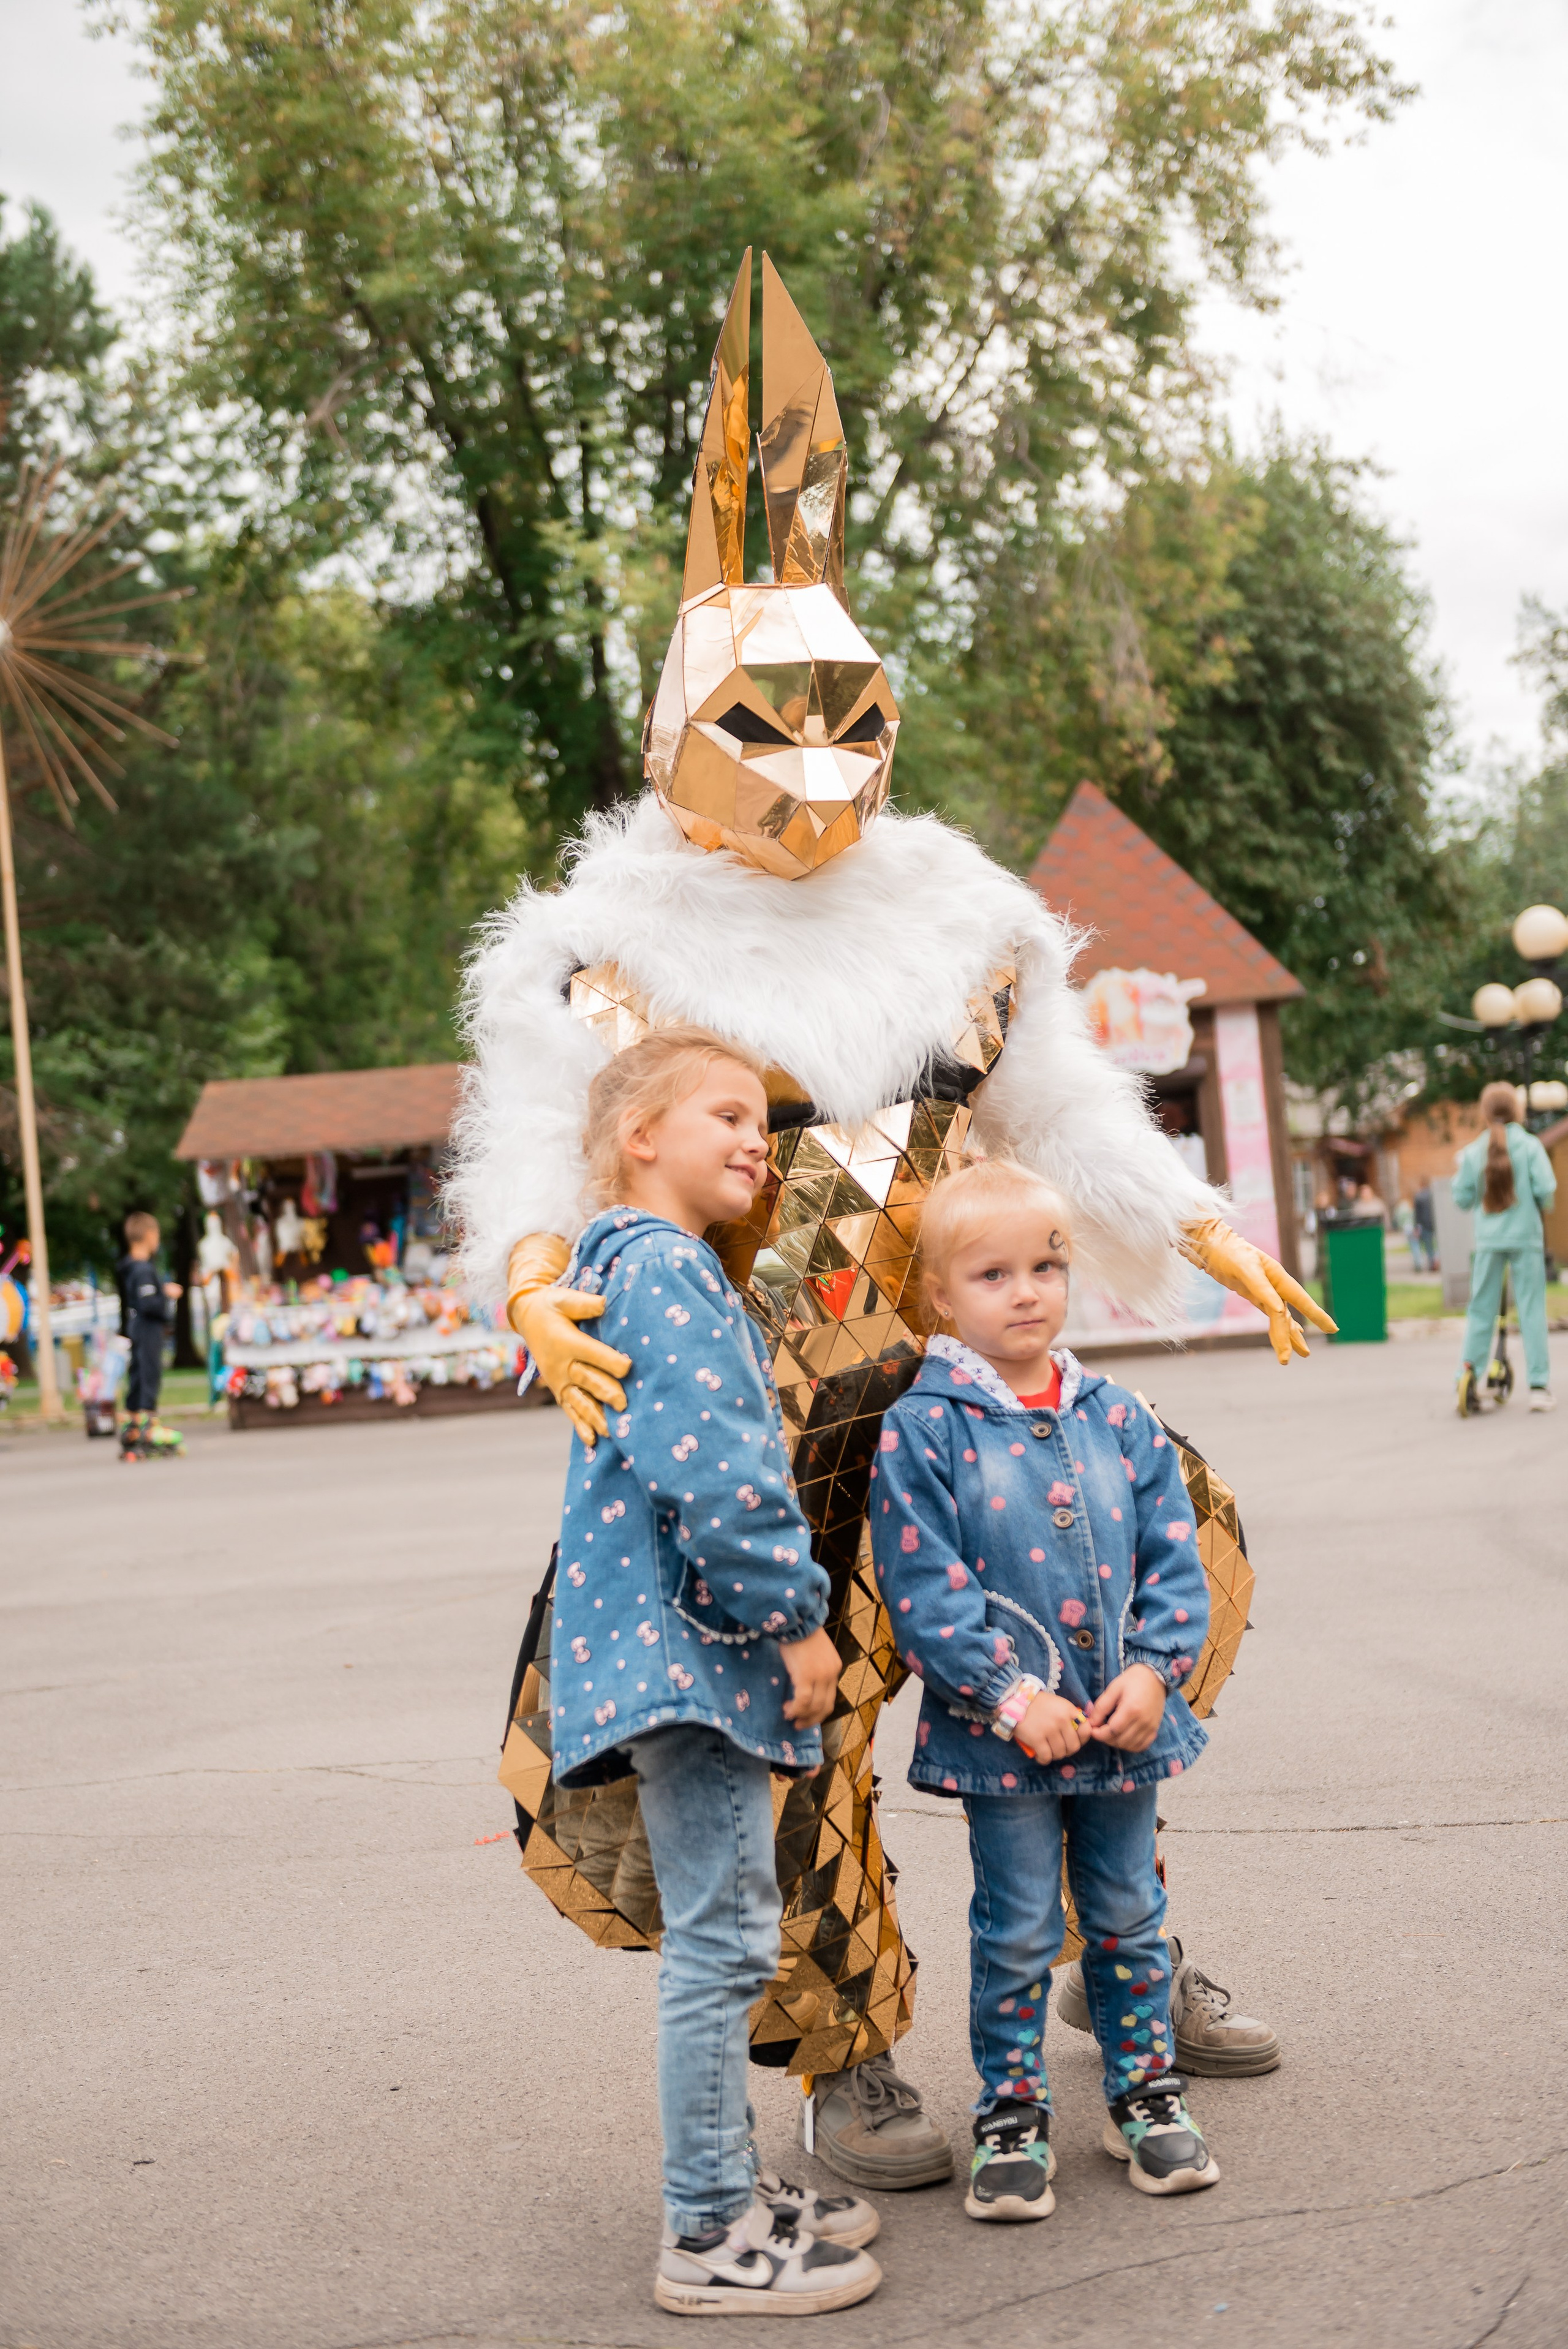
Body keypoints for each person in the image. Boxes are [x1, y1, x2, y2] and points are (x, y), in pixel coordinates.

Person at [455, 248, 1324, 2189]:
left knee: (1129, 1591)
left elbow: (1064, 1110)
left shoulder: (963, 927)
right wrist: (532, 1276)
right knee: (801, 1719)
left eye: (847, 712)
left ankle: (1128, 1962)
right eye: (766, 718)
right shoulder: (606, 951)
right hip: (755, 1414)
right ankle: (847, 2049)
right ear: (687, 728)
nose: (817, 761)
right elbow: (542, 1134)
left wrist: (1186, 1222)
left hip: (954, 1377)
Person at [552, 1024, 883, 2315]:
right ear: (643, 1138)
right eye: (728, 1116)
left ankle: (733, 2182)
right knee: (723, 1941)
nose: (759, 1139)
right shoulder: (666, 1274)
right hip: (692, 1656)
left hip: (672, 1656)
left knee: (725, 1934)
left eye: (763, 1120)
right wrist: (794, 1618)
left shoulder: (638, 1270)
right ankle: (705, 2229)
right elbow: (722, 1476)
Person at [872, 1157, 1219, 2217]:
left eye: (1046, 1266)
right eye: (992, 1275)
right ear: (940, 1295)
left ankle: (1144, 2094)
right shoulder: (924, 1429)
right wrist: (1014, 1697)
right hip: (1002, 1742)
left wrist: (1159, 1674)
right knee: (1019, 1924)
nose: (1027, 1291)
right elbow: (923, 1588)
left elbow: (1173, 1557)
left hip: (1123, 1730)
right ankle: (1011, 2111)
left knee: (1126, 1911)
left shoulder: (1115, 1415)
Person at [1453, 1082, 1557, 1412]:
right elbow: (1547, 1191)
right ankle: (1539, 1386)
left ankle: (1467, 1375)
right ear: (1517, 1111)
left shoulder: (1474, 1151)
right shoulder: (1530, 1146)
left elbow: (1461, 1197)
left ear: (1485, 1114)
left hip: (1489, 1241)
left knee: (1481, 1310)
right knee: (1531, 1309)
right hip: (1526, 1238)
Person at [116, 1212, 184, 1460]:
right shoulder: (143, 1269)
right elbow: (148, 1304)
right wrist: (166, 1295)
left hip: (137, 1327)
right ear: (148, 1236)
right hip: (147, 1328)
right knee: (149, 1373)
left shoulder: (132, 1268)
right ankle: (148, 1426)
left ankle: (133, 1425)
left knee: (138, 1374)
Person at [1411, 1182, 1437, 1275]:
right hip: (1435, 1223)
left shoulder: (1419, 1197)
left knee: (1429, 1246)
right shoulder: (1434, 1195)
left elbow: (1417, 1215)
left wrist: (1416, 1227)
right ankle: (1436, 1261)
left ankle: (1432, 1263)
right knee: (1437, 1245)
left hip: (1425, 1224)